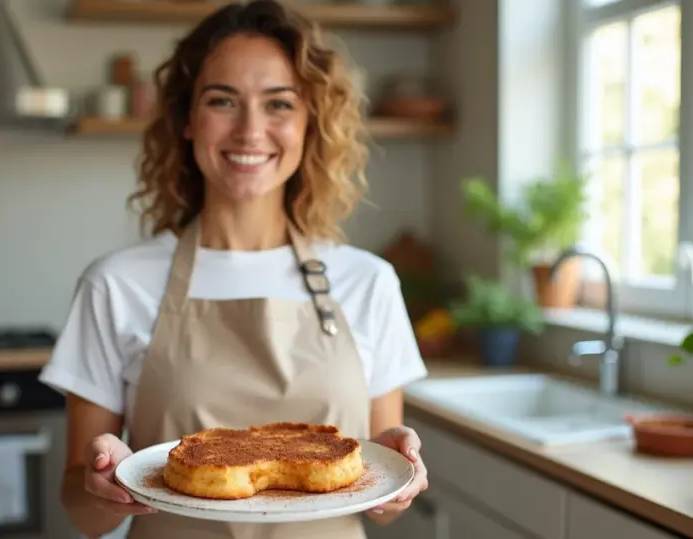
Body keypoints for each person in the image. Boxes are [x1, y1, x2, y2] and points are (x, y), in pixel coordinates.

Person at [38, 0, 430, 537]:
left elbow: (384, 506)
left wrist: (399, 476)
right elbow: (83, 515)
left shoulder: (368, 282)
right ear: (186, 119)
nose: (250, 130)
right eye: (223, 100)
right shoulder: (116, 284)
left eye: (279, 104)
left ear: (310, 123)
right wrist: (103, 483)